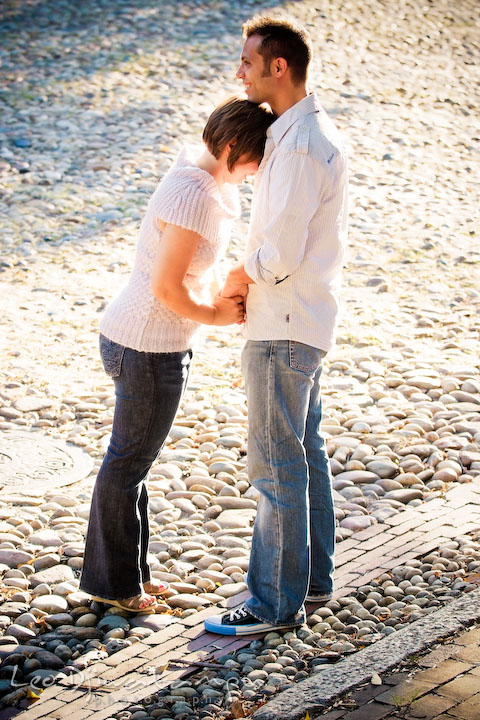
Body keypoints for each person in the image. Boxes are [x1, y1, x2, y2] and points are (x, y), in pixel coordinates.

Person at [80, 96, 275, 613]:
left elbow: (189, 267)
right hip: (147, 345)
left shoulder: (202, 176)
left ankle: (128, 576)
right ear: (233, 147)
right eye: (257, 159)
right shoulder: (195, 196)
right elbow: (167, 288)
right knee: (127, 463)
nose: (258, 171)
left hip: (145, 340)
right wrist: (217, 316)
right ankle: (113, 586)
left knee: (133, 461)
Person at [204, 15, 348, 635]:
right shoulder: (311, 134)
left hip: (282, 325)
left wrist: (236, 277)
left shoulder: (296, 146)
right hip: (304, 320)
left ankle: (272, 603)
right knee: (304, 452)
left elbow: (279, 256)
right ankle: (310, 581)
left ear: (278, 67)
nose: (240, 71)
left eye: (247, 61)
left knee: (274, 462)